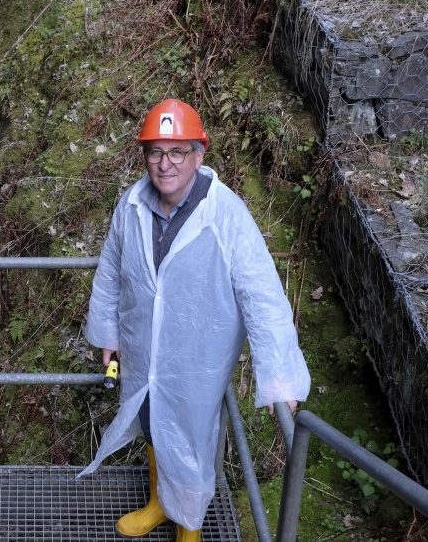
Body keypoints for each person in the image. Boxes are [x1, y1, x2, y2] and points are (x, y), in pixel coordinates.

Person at [78, 99, 311, 540]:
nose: (165, 164)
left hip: (198, 358)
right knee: (151, 421)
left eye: (177, 152)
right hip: (142, 348)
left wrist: (280, 377)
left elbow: (262, 295)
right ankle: (159, 504)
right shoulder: (131, 204)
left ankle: (189, 526)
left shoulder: (226, 214)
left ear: (198, 155)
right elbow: (110, 271)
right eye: (155, 152)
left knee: (191, 436)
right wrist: (108, 333)